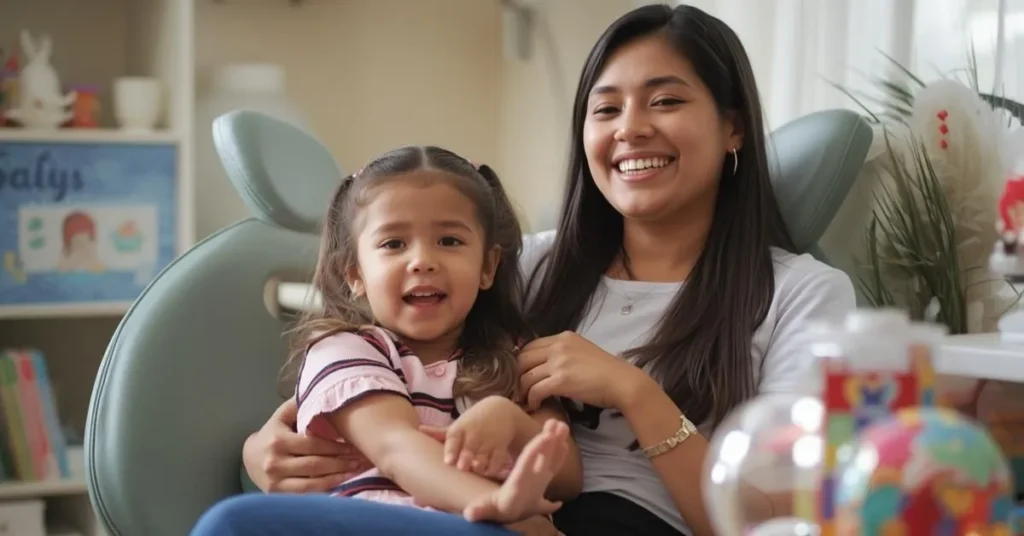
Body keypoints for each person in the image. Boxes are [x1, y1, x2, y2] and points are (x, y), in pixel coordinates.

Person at [192, 3, 857, 535]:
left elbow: (768, 524)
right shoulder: (525, 265)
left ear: (734, 126)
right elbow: (396, 379)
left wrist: (635, 394)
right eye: (606, 108)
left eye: (665, 101)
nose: (630, 129)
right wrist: (267, 448)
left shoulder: (802, 295)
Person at [192, 146, 583, 536]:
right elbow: (397, 447)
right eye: (394, 244)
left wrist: (512, 422)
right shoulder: (344, 349)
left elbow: (567, 478)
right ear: (355, 274)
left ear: (487, 266)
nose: (422, 260)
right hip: (387, 523)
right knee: (228, 524)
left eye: (449, 241)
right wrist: (494, 505)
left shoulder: (516, 358)